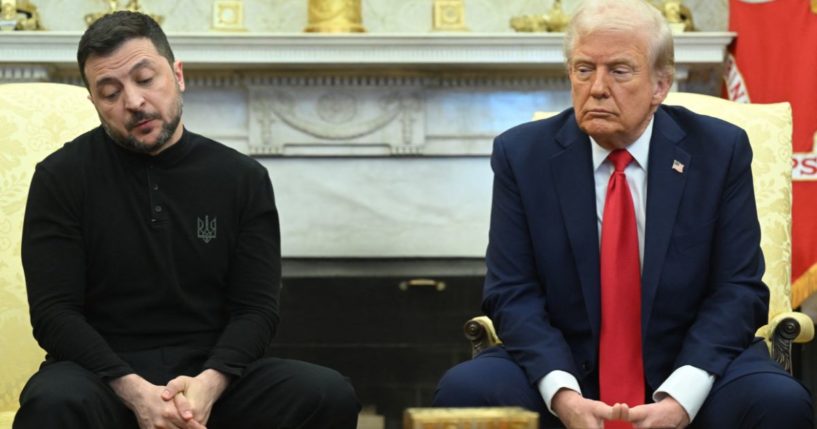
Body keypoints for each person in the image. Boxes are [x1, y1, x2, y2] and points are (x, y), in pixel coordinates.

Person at [433, 1, 813, 428]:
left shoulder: (718, 151)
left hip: (690, 362)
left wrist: (681, 397)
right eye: (583, 69)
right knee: (465, 390)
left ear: (660, 84)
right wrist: (562, 394)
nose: (596, 87)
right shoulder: (522, 155)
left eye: (619, 70)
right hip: (565, 364)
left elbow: (739, 290)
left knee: (778, 401)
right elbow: (511, 291)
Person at [14, 11, 359, 429]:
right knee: (53, 401)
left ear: (178, 75)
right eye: (109, 92)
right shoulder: (60, 177)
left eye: (145, 79)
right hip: (102, 377)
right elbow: (55, 314)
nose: (134, 102)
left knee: (327, 393)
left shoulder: (241, 178)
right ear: (94, 103)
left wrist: (207, 388)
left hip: (213, 375)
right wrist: (136, 391)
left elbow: (256, 309)